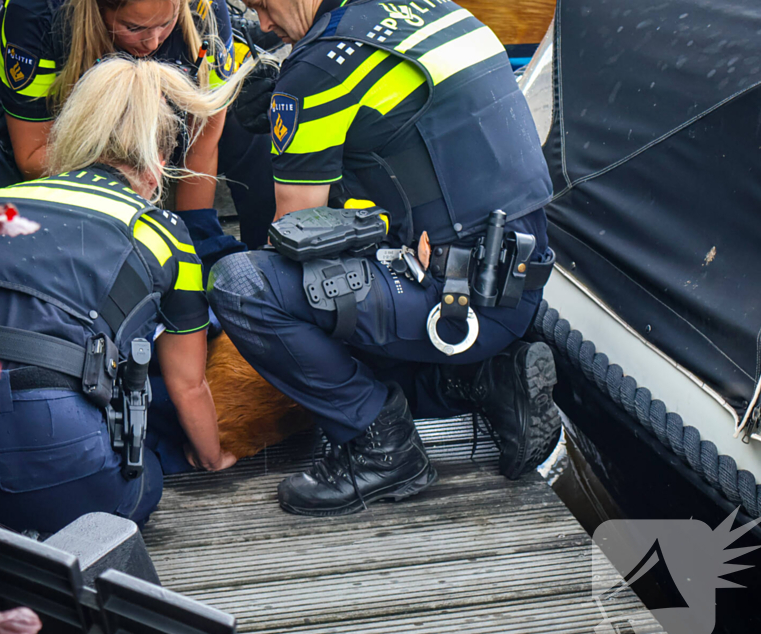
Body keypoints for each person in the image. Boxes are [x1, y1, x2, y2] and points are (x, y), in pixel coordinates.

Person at [0, 56, 247, 534]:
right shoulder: (164, 234)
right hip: (50, 443)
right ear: (159, 162)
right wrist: (212, 456)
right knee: (143, 480)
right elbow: (188, 385)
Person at [207, 0, 561, 516]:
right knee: (334, 302)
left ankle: (383, 444)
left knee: (246, 287)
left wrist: (293, 110)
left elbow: (295, 233)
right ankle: (481, 381)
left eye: (262, 4)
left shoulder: (320, 69)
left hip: (452, 305)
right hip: (518, 287)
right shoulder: (435, 11)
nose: (262, 23)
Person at [0, 0, 276, 246]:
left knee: (251, 122)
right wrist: (124, 167)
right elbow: (32, 156)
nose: (153, 42)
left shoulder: (207, 8)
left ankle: (268, 260)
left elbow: (204, 138)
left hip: (161, 144)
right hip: (63, 145)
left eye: (166, 24)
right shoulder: (35, 12)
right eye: (134, 27)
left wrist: (194, 233)